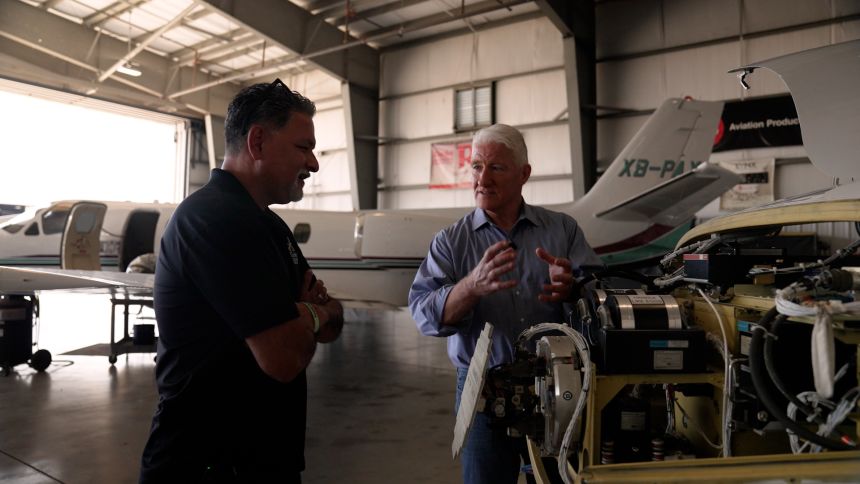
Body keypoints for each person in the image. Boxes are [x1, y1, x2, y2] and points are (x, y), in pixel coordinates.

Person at [139, 79, 344, 484]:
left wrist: (308, 316)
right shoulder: (216, 221)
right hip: (207, 465)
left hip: (262, 459)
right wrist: (310, 314)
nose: (314, 164)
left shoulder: (268, 226)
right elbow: (284, 359)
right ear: (258, 142)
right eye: (304, 147)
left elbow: (335, 318)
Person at [409, 124, 603, 484]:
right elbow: (423, 314)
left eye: (496, 167)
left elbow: (599, 297)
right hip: (482, 389)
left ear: (524, 174)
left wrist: (574, 289)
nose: (482, 178)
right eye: (476, 166)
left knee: (559, 477)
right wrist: (470, 287)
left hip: (556, 382)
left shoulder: (562, 230)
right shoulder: (451, 241)